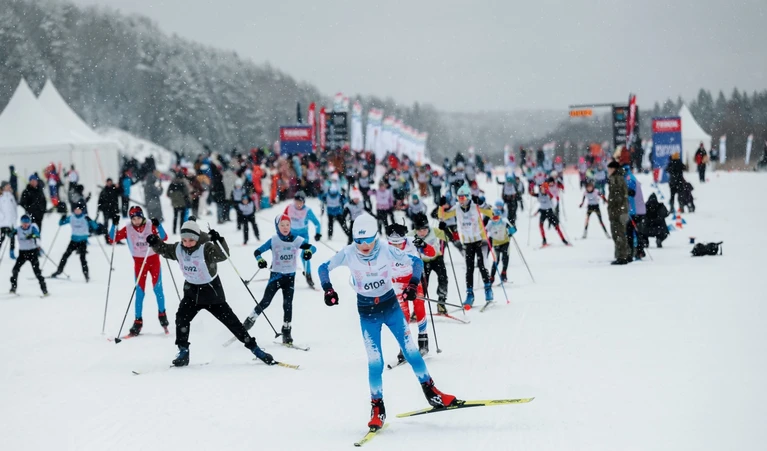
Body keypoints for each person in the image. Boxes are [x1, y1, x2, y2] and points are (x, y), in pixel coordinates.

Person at [318, 213, 459, 431]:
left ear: (375, 236)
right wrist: (328, 288)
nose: (364, 246)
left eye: (368, 240)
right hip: (368, 313)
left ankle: (432, 393)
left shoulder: (385, 248)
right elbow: (323, 268)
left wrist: (412, 284)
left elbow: (415, 262)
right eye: (359, 241)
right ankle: (377, 407)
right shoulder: (348, 253)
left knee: (411, 351)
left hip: (391, 307)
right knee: (375, 362)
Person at [146, 222, 276, 366]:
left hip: (212, 294)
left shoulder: (205, 248)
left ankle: (255, 349)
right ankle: (183, 351)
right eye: (184, 240)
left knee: (233, 323)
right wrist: (155, 242)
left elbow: (222, 255)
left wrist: (218, 240)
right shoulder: (178, 249)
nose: (187, 243)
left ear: (197, 238)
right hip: (191, 293)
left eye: (191, 240)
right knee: (181, 319)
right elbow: (164, 249)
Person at [243, 214, 316, 344]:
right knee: (266, 301)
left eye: (287, 225)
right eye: (282, 225)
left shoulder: (296, 240)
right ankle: (249, 321)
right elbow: (257, 252)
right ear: (277, 226)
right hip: (276, 277)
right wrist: (260, 260)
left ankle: (286, 331)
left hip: (290, 278)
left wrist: (308, 252)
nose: (285, 227)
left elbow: (312, 247)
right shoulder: (274, 240)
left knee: (288, 305)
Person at [108, 206, 169, 335]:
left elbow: (164, 237)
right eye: (133, 219)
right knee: (139, 293)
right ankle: (138, 321)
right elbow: (112, 239)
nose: (136, 221)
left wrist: (158, 226)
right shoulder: (128, 228)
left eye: (138, 218)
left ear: (142, 217)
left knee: (158, 289)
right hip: (139, 264)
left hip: (153, 261)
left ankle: (162, 315)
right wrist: (114, 225)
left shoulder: (150, 225)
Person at [438, 184, 493, 307]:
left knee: (481, 265)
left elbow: (491, 213)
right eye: (459, 198)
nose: (461, 200)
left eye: (463, 197)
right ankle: (469, 294)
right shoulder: (457, 208)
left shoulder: (475, 206)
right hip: (467, 242)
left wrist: (482, 203)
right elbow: (442, 216)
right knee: (469, 269)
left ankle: (488, 289)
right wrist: (441, 206)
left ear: (468, 197)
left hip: (479, 240)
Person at [386, 222, 434, 363]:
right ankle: (405, 346)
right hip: (397, 283)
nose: (396, 247)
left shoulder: (412, 243)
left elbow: (432, 253)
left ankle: (423, 340)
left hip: (413, 281)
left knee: (419, 307)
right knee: (403, 314)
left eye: (399, 244)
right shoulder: (384, 247)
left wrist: (424, 245)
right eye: (393, 244)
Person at [50, 201, 101, 281]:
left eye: (78, 209)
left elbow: (95, 227)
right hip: (74, 240)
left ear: (82, 210)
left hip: (83, 241)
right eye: (75, 209)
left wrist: (91, 221)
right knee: (65, 256)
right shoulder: (71, 217)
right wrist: (62, 218)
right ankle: (59, 271)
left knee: (82, 258)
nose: (77, 211)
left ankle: (86, 274)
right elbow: (61, 223)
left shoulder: (85, 218)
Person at [410, 213, 449, 314]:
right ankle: (418, 309)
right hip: (422, 262)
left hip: (437, 258)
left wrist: (445, 229)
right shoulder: (411, 235)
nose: (422, 233)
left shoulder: (434, 231)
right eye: (419, 230)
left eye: (424, 229)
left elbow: (448, 238)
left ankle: (441, 303)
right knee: (422, 285)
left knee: (443, 279)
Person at [283, 191, 321, 288]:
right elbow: (282, 219)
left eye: (300, 202)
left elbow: (317, 223)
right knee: (286, 255)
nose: (298, 204)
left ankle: (308, 275)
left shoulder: (307, 211)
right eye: (296, 202)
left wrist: (318, 233)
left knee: (305, 256)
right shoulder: (289, 208)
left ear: (304, 202)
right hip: (291, 236)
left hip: (303, 236)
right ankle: (283, 275)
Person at [9, 215, 48, 296]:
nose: (25, 225)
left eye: (27, 223)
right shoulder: (18, 229)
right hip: (22, 254)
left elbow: (37, 235)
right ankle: (13, 288)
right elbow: (11, 234)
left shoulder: (32, 228)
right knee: (15, 270)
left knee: (37, 272)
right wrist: (10, 232)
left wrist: (31, 236)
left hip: (32, 253)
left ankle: (44, 290)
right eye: (24, 223)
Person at [485, 201, 517, 283]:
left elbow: (514, 229)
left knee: (505, 258)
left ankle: (504, 273)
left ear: (500, 216)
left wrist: (511, 231)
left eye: (497, 217)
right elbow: (485, 231)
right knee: (496, 260)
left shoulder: (504, 221)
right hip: (496, 243)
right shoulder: (490, 223)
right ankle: (492, 277)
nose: (495, 219)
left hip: (505, 242)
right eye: (494, 217)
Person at [607, 162, 631, 265]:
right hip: (620, 210)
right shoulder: (619, 177)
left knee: (618, 233)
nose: (608, 171)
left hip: (618, 211)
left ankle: (622, 256)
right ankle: (624, 254)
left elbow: (618, 195)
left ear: (614, 169)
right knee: (619, 233)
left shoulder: (616, 178)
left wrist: (613, 205)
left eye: (609, 169)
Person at [533, 182, 569, 247]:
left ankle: (564, 240)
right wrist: (531, 187)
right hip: (543, 212)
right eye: (542, 188)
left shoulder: (549, 194)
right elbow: (532, 194)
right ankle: (544, 240)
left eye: (544, 188)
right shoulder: (539, 194)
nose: (543, 189)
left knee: (557, 227)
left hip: (549, 211)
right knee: (540, 225)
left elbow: (553, 199)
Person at [624, 165, 648, 260]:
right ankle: (638, 251)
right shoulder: (629, 177)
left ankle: (636, 252)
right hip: (637, 209)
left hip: (635, 210)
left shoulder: (629, 179)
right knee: (635, 231)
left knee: (632, 231)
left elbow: (631, 193)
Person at [0, 181, 18, 259]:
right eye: (7, 186)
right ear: (4, 187)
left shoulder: (11, 196)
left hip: (11, 222)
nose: (9, 187)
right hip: (3, 222)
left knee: (12, 237)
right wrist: (2, 218)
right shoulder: (1, 196)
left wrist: (15, 218)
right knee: (2, 238)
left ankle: (12, 252)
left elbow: (14, 208)